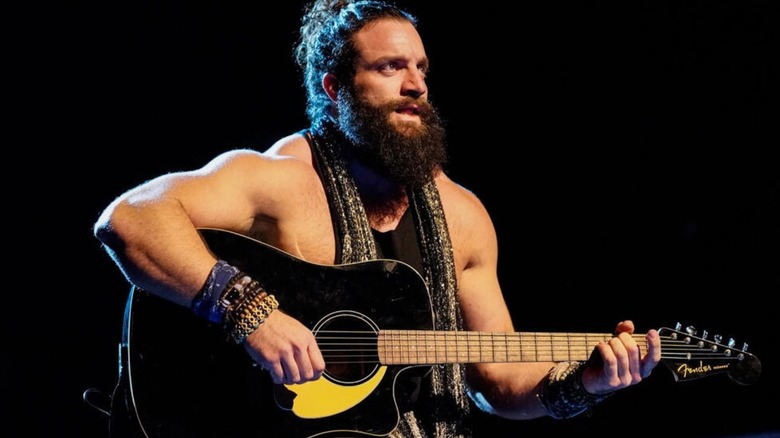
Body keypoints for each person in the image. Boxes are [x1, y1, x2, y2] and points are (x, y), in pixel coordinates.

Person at [94, 1, 661, 437]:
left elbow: (499, 380)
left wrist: (588, 383)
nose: (416, 84)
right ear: (335, 88)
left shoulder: (463, 215)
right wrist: (251, 312)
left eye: (421, 68)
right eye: (390, 67)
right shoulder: (281, 180)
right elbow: (129, 218)